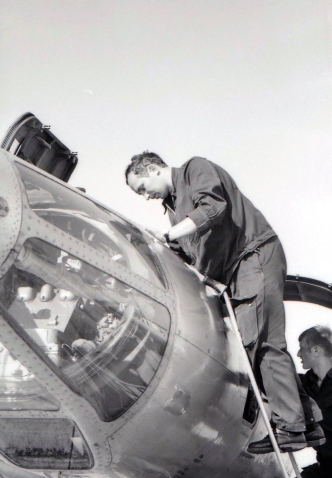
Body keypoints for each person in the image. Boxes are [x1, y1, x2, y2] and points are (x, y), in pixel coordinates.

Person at [125, 151, 323, 453]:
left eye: (141, 188)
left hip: (252, 258)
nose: (145, 197)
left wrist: (169, 234)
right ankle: (308, 424)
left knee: (263, 345)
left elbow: (214, 208)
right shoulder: (174, 209)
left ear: (152, 169)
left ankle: (291, 428)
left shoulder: (195, 169)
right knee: (258, 346)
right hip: (238, 273)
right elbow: (194, 253)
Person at [297, 326, 332, 477]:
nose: (298, 354)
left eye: (302, 349)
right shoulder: (303, 384)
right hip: (324, 466)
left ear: (316, 351)